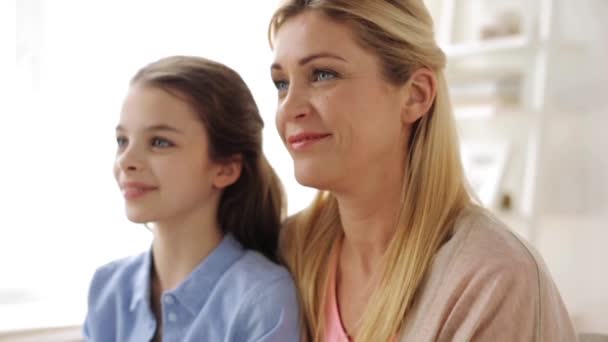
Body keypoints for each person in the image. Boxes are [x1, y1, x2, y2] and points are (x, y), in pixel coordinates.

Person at [268, 1, 577, 341]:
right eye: (281, 83)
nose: (290, 108)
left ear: (416, 95)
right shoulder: (287, 251)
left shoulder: (492, 278)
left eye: (323, 74)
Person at [83, 56, 300, 342]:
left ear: (225, 169)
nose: (127, 161)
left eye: (160, 142)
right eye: (122, 141)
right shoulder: (108, 287)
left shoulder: (262, 298)